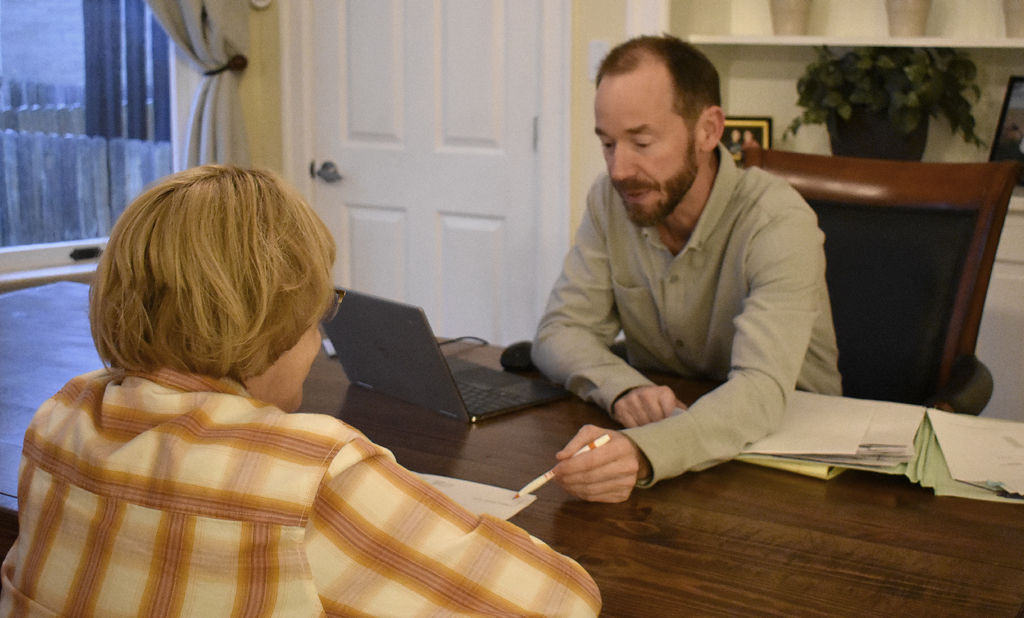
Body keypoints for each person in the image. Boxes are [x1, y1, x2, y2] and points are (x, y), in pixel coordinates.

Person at [0, 165, 601, 617]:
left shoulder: (60, 420)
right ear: (274, 320)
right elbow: (563, 602)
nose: (316, 340)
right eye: (316, 313)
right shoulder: (306, 471)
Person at [531, 35, 841, 503]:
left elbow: (759, 391)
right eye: (608, 143)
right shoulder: (611, 200)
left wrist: (642, 449)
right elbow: (559, 332)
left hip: (789, 467)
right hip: (680, 451)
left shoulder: (778, 221)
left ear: (708, 130)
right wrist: (623, 390)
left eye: (641, 141)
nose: (619, 169)